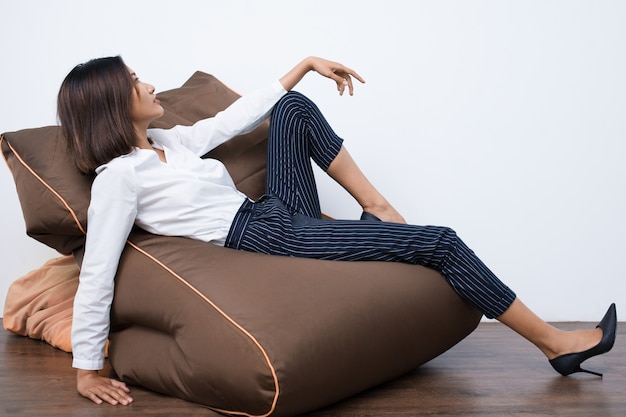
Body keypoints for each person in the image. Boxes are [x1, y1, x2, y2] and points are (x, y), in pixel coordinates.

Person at [57, 55, 616, 407]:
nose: (148, 82)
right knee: (440, 241)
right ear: (111, 102)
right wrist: (86, 369)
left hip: (274, 211)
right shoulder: (119, 180)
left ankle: (379, 209)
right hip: (262, 237)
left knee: (293, 108)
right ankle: (556, 345)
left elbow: (232, 120)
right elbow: (99, 270)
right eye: (134, 80)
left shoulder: (170, 143)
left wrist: (301, 65)